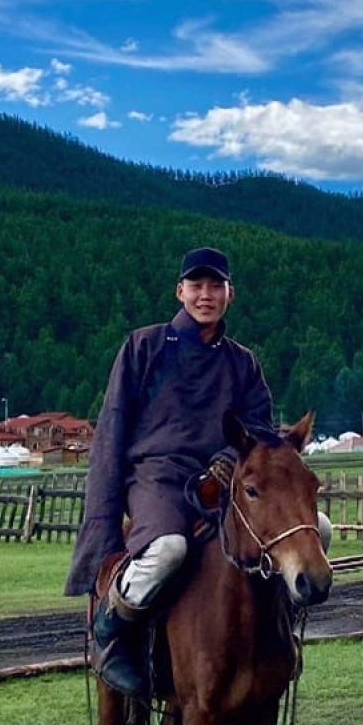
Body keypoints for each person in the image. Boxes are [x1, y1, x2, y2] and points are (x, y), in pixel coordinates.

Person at [66, 245, 278, 699]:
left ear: (230, 294)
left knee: (302, 533)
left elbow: (259, 426)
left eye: (215, 286)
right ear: (180, 291)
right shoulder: (143, 347)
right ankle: (111, 631)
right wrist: (102, 523)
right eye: (197, 286)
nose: (206, 295)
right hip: (156, 477)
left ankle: (278, 640)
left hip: (225, 481)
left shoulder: (243, 362)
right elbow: (113, 429)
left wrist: (228, 457)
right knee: (167, 549)